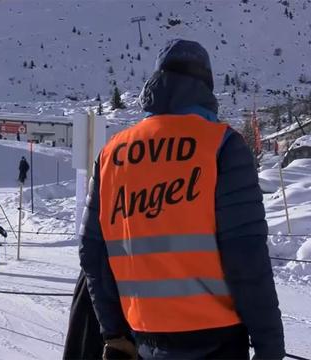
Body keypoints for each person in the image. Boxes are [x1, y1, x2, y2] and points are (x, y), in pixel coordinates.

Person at [77, 39, 284, 359]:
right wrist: (269, 343)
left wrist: (114, 332)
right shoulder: (223, 145)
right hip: (218, 343)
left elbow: (92, 251)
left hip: (144, 340)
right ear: (206, 86)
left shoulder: (111, 154)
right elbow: (246, 254)